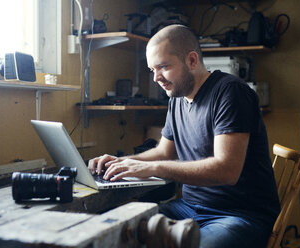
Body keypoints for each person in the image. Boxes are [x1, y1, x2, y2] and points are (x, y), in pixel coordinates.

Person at [88, 24, 280, 248]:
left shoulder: (231, 93)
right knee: (119, 233)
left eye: (163, 67)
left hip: (239, 215)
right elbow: (164, 152)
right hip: (188, 208)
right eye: (152, 70)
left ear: (191, 60)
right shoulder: (177, 99)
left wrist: (154, 169)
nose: (156, 78)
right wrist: (122, 162)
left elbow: (227, 170)